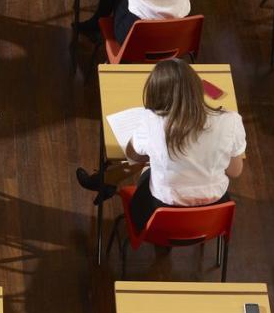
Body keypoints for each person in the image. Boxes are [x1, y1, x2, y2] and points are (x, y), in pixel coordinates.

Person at [78, 59, 245, 225]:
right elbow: (235, 171)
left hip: (159, 214)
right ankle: (108, 179)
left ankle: (108, 180)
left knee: (152, 161)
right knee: (160, 160)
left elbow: (133, 156)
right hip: (212, 217)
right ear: (197, 88)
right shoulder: (231, 120)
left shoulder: (152, 121)